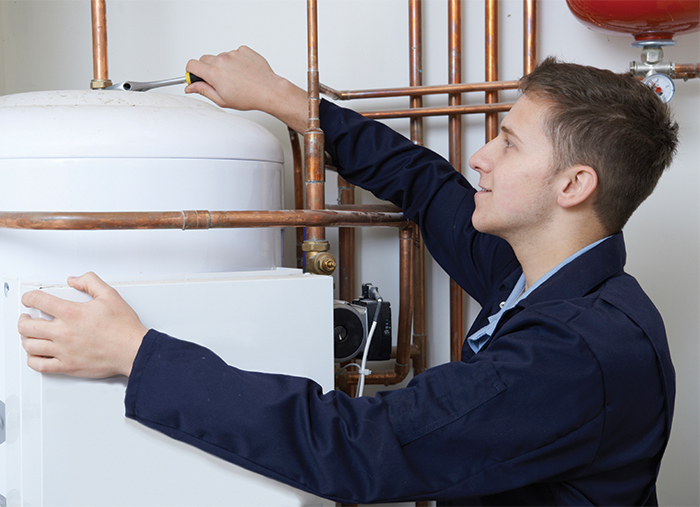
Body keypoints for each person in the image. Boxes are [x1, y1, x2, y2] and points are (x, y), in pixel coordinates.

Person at [18, 47, 678, 506]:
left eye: (508, 142)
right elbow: (425, 184)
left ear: (574, 184)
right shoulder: (537, 274)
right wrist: (290, 104)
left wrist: (135, 353)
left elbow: (359, 446)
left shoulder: (574, 353)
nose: (481, 157)